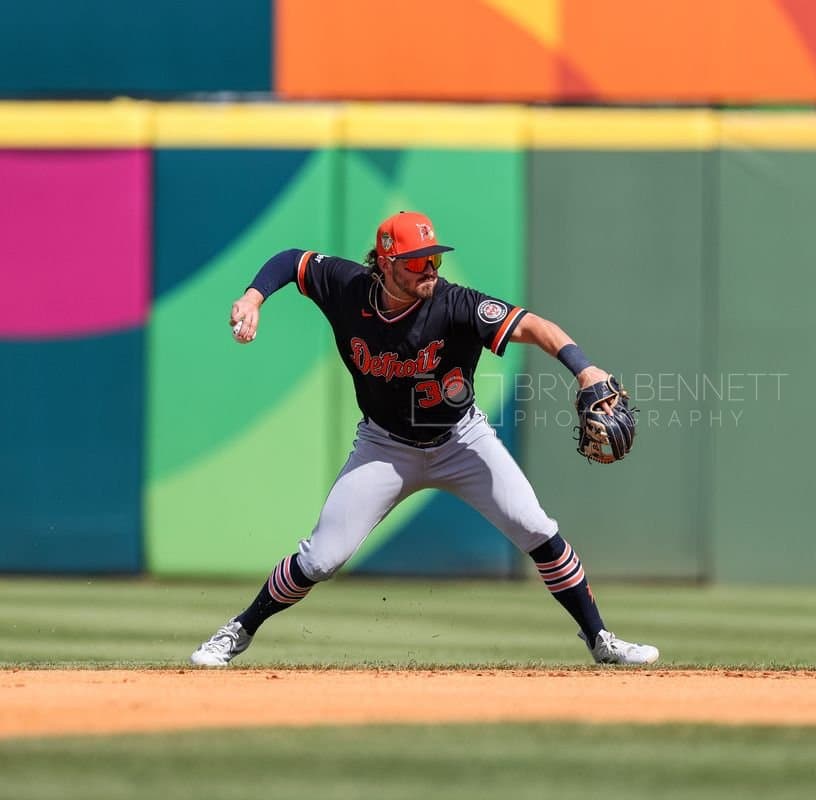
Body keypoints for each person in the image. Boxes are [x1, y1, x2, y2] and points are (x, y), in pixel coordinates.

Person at [189, 211, 658, 667]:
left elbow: (534, 326)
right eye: (417, 261)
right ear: (386, 262)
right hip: (385, 446)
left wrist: (585, 368)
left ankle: (600, 639)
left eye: (433, 258)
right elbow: (292, 260)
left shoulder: (456, 303)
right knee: (321, 559)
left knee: (537, 528)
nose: (429, 268)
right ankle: (239, 630)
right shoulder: (347, 286)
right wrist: (253, 298)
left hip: (462, 439)